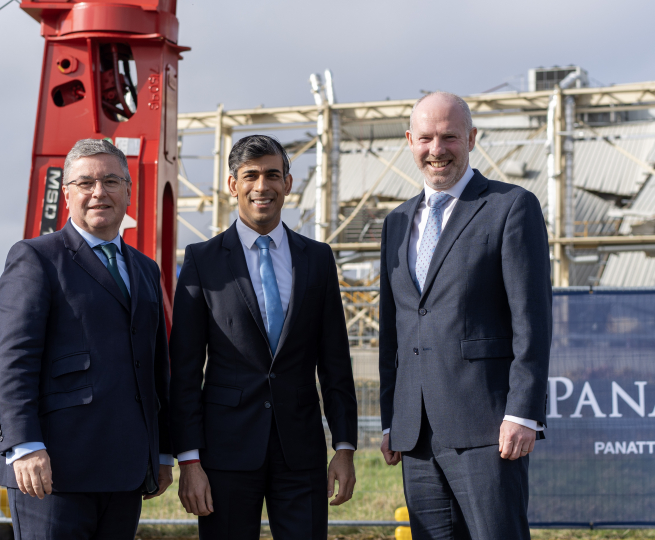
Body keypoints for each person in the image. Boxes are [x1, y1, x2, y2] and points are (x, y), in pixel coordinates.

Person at [378, 92, 552, 540]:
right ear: (409, 141)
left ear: (472, 138)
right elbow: (394, 329)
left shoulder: (511, 206)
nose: (437, 149)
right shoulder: (396, 222)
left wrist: (523, 413)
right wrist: (390, 419)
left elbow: (531, 321)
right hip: (415, 432)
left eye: (449, 136)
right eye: (426, 138)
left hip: (487, 427)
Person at [169, 134, 358, 540]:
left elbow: (335, 363)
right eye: (250, 176)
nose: (262, 186)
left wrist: (344, 447)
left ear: (288, 183)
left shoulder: (318, 259)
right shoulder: (202, 261)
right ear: (233, 184)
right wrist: (189, 460)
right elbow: (184, 370)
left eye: (273, 175)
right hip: (224, 454)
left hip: (301, 453)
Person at [0, 139, 174, 539]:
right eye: (86, 183)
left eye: (111, 181)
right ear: (66, 195)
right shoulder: (37, 258)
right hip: (54, 470)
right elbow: (13, 360)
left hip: (126, 469)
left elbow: (153, 365)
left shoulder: (146, 270)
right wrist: (24, 444)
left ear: (129, 191)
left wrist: (161, 451)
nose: (99, 192)